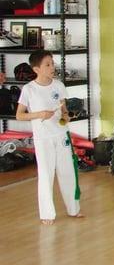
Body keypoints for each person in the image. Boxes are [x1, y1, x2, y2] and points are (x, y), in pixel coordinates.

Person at [16, 49, 83, 225]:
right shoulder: (29, 89)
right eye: (48, 64)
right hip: (43, 138)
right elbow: (19, 115)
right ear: (36, 69)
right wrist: (39, 114)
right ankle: (47, 213)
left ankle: (73, 209)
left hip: (61, 136)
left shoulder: (59, 86)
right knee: (46, 175)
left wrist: (66, 116)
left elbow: (64, 110)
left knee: (67, 172)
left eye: (52, 63)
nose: (52, 67)